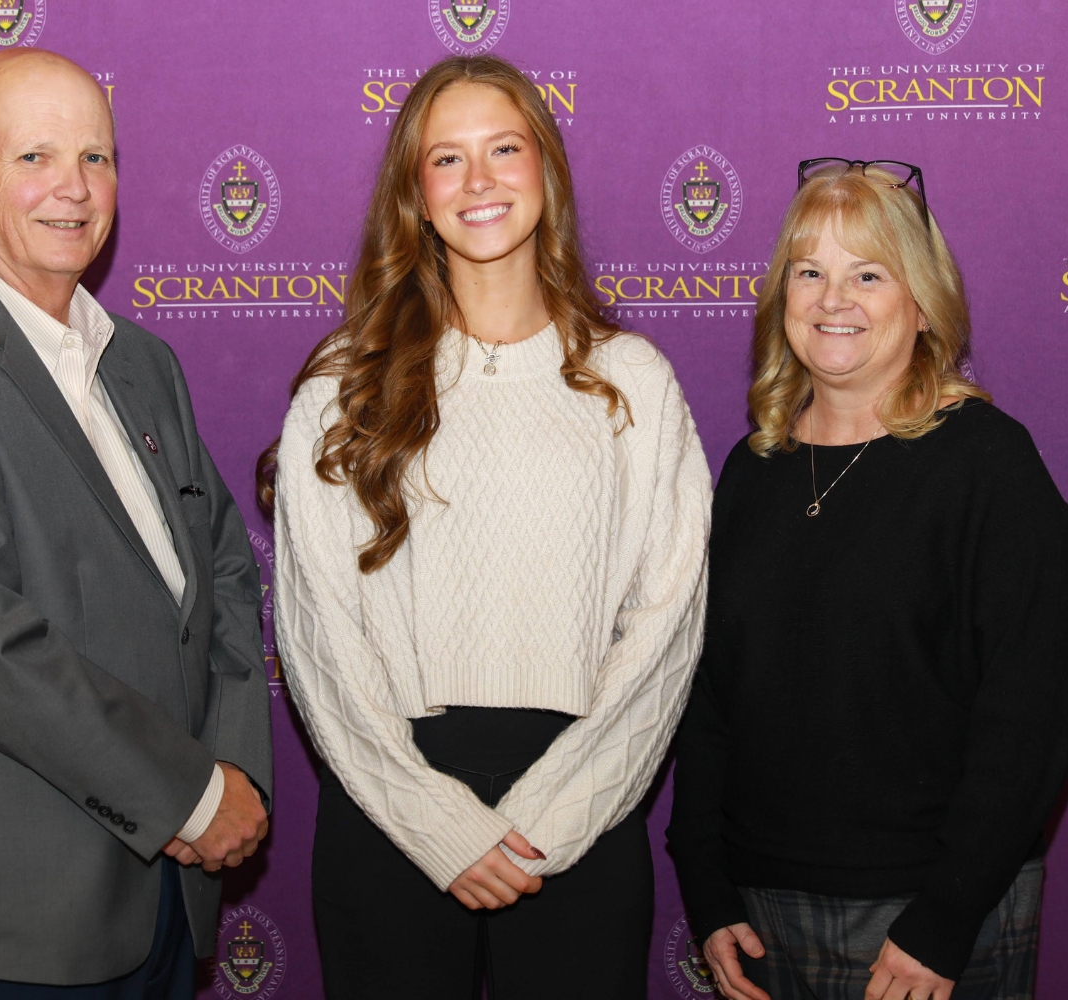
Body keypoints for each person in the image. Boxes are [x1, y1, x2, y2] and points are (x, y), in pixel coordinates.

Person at [260, 55, 711, 999]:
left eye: (505, 149)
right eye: (447, 159)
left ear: (546, 170)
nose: (480, 181)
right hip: (388, 809)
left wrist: (554, 815)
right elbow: (320, 639)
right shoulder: (342, 388)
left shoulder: (636, 382)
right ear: (415, 198)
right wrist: (440, 825)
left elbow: (667, 626)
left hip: (582, 808)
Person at [0, 49, 271, 1000]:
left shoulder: (145, 364)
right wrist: (195, 796)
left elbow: (223, 576)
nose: (74, 189)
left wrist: (232, 770)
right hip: (10, 931)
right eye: (33, 156)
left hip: (168, 901)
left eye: (97, 157)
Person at [667, 159, 1068, 1000]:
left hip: (931, 921)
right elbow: (709, 698)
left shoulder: (988, 465)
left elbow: (1027, 721)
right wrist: (707, 890)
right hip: (759, 913)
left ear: (923, 303)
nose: (833, 300)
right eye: (809, 271)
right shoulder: (753, 470)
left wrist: (942, 923)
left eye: (868, 274)